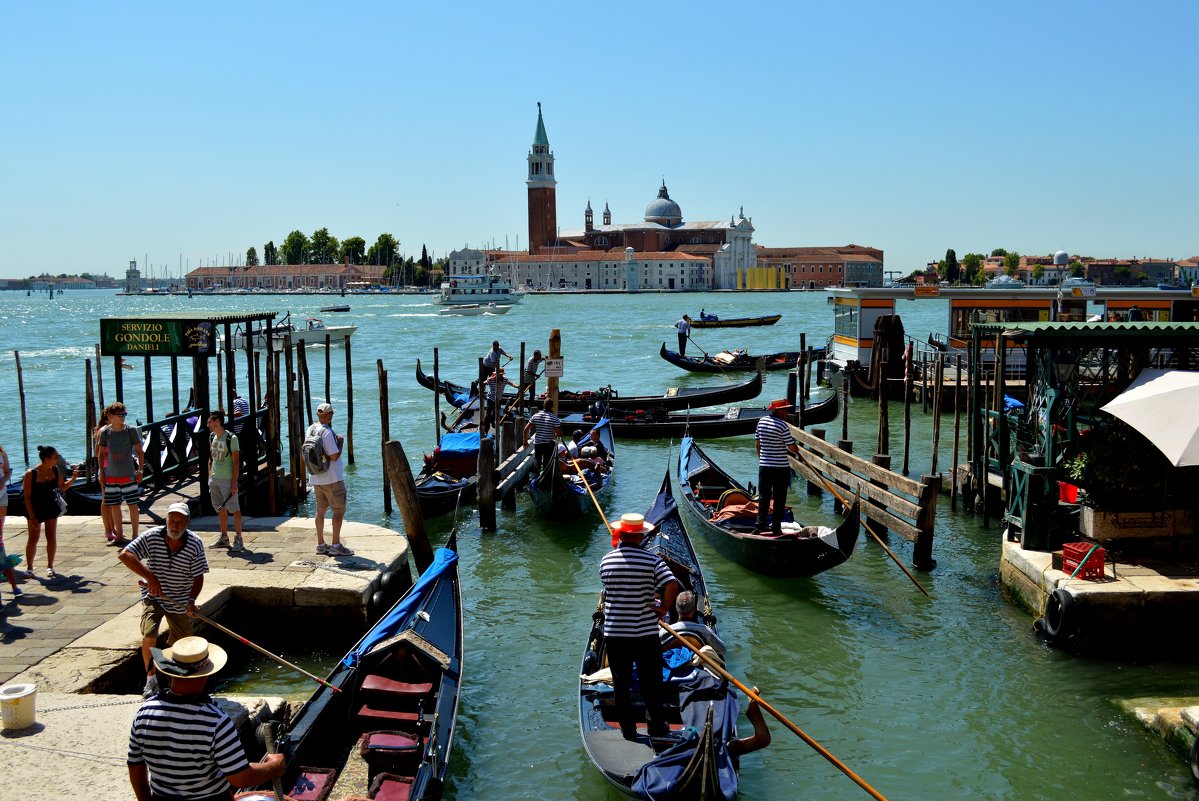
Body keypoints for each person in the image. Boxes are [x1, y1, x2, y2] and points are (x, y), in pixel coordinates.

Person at [127, 636, 286, 800]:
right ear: (206, 675)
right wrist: (274, 766)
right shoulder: (216, 720)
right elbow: (241, 778)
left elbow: (135, 767)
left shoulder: (144, 711)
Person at [600, 513, 680, 741]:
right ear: (641, 536)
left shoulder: (606, 560)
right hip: (645, 633)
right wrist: (663, 607)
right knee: (651, 684)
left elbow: (610, 590)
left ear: (621, 534)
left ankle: (627, 730)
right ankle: (656, 728)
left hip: (615, 634)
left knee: (621, 684)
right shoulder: (652, 561)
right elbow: (672, 582)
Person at [118, 502, 209, 698]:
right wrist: (150, 577)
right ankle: (151, 681)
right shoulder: (153, 536)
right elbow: (125, 555)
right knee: (149, 633)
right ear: (166, 520)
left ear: (187, 523)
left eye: (180, 522)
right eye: (171, 521)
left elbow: (198, 576)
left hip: (180, 598)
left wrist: (191, 600)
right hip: (154, 596)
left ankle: (179, 681)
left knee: (183, 642)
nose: (175, 526)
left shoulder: (194, 543)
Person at [22, 445, 79, 580]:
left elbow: (62, 487)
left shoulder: (55, 469)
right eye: (55, 457)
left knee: (51, 536)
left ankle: (50, 566)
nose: (58, 458)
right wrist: (32, 515)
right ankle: (30, 568)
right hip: (35, 507)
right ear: (47, 458)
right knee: (33, 538)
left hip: (51, 505)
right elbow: (27, 496)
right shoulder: (31, 473)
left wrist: (74, 478)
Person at [98, 401, 145, 545]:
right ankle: (119, 535)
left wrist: (140, 470)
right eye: (120, 415)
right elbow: (100, 454)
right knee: (114, 505)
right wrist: (102, 473)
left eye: (124, 414)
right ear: (111, 416)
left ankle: (135, 534)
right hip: (111, 475)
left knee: (132, 504)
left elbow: (140, 451)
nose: (123, 417)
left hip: (128, 474)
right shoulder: (105, 432)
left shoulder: (130, 430)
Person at [308, 403, 352, 557]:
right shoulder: (327, 432)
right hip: (332, 479)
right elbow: (334, 456)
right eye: (331, 413)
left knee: (320, 512)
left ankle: (320, 544)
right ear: (329, 415)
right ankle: (336, 545)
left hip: (316, 478)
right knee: (338, 511)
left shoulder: (311, 429)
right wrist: (340, 443)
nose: (332, 415)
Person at [755, 399, 799, 536]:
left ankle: (760, 526)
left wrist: (762, 459)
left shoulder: (761, 422)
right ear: (778, 411)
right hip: (780, 468)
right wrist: (797, 449)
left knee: (764, 497)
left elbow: (758, 444)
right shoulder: (782, 426)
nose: (787, 412)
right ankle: (776, 528)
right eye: (785, 410)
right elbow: (791, 447)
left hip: (764, 466)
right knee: (780, 499)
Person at [206, 412, 243, 551]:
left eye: (210, 421)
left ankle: (238, 538)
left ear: (217, 422)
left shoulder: (231, 438)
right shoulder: (212, 437)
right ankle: (224, 537)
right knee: (220, 508)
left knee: (234, 508)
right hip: (215, 478)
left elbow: (236, 461)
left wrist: (234, 482)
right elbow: (211, 458)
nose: (208, 424)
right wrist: (210, 475)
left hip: (227, 479)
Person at [0, 444, 18, 602]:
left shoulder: (2, 454)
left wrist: (2, 481)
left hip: (1, 495)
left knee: (0, 532)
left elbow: (7, 472)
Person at [523, 405, 562, 474]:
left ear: (544, 406)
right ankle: (545, 475)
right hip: (548, 444)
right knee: (547, 463)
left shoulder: (535, 416)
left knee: (537, 461)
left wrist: (525, 441)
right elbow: (559, 433)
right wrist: (557, 434)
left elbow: (526, 429)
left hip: (538, 443)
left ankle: (537, 476)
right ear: (552, 406)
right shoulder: (555, 418)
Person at [480, 368, 518, 436]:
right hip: (491, 398)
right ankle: (486, 429)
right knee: (488, 414)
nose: (500, 376)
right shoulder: (491, 380)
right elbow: (483, 384)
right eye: (498, 374)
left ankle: (492, 421)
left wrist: (517, 386)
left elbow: (511, 383)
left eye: (501, 375)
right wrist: (482, 393)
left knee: (496, 413)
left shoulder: (505, 379)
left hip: (499, 398)